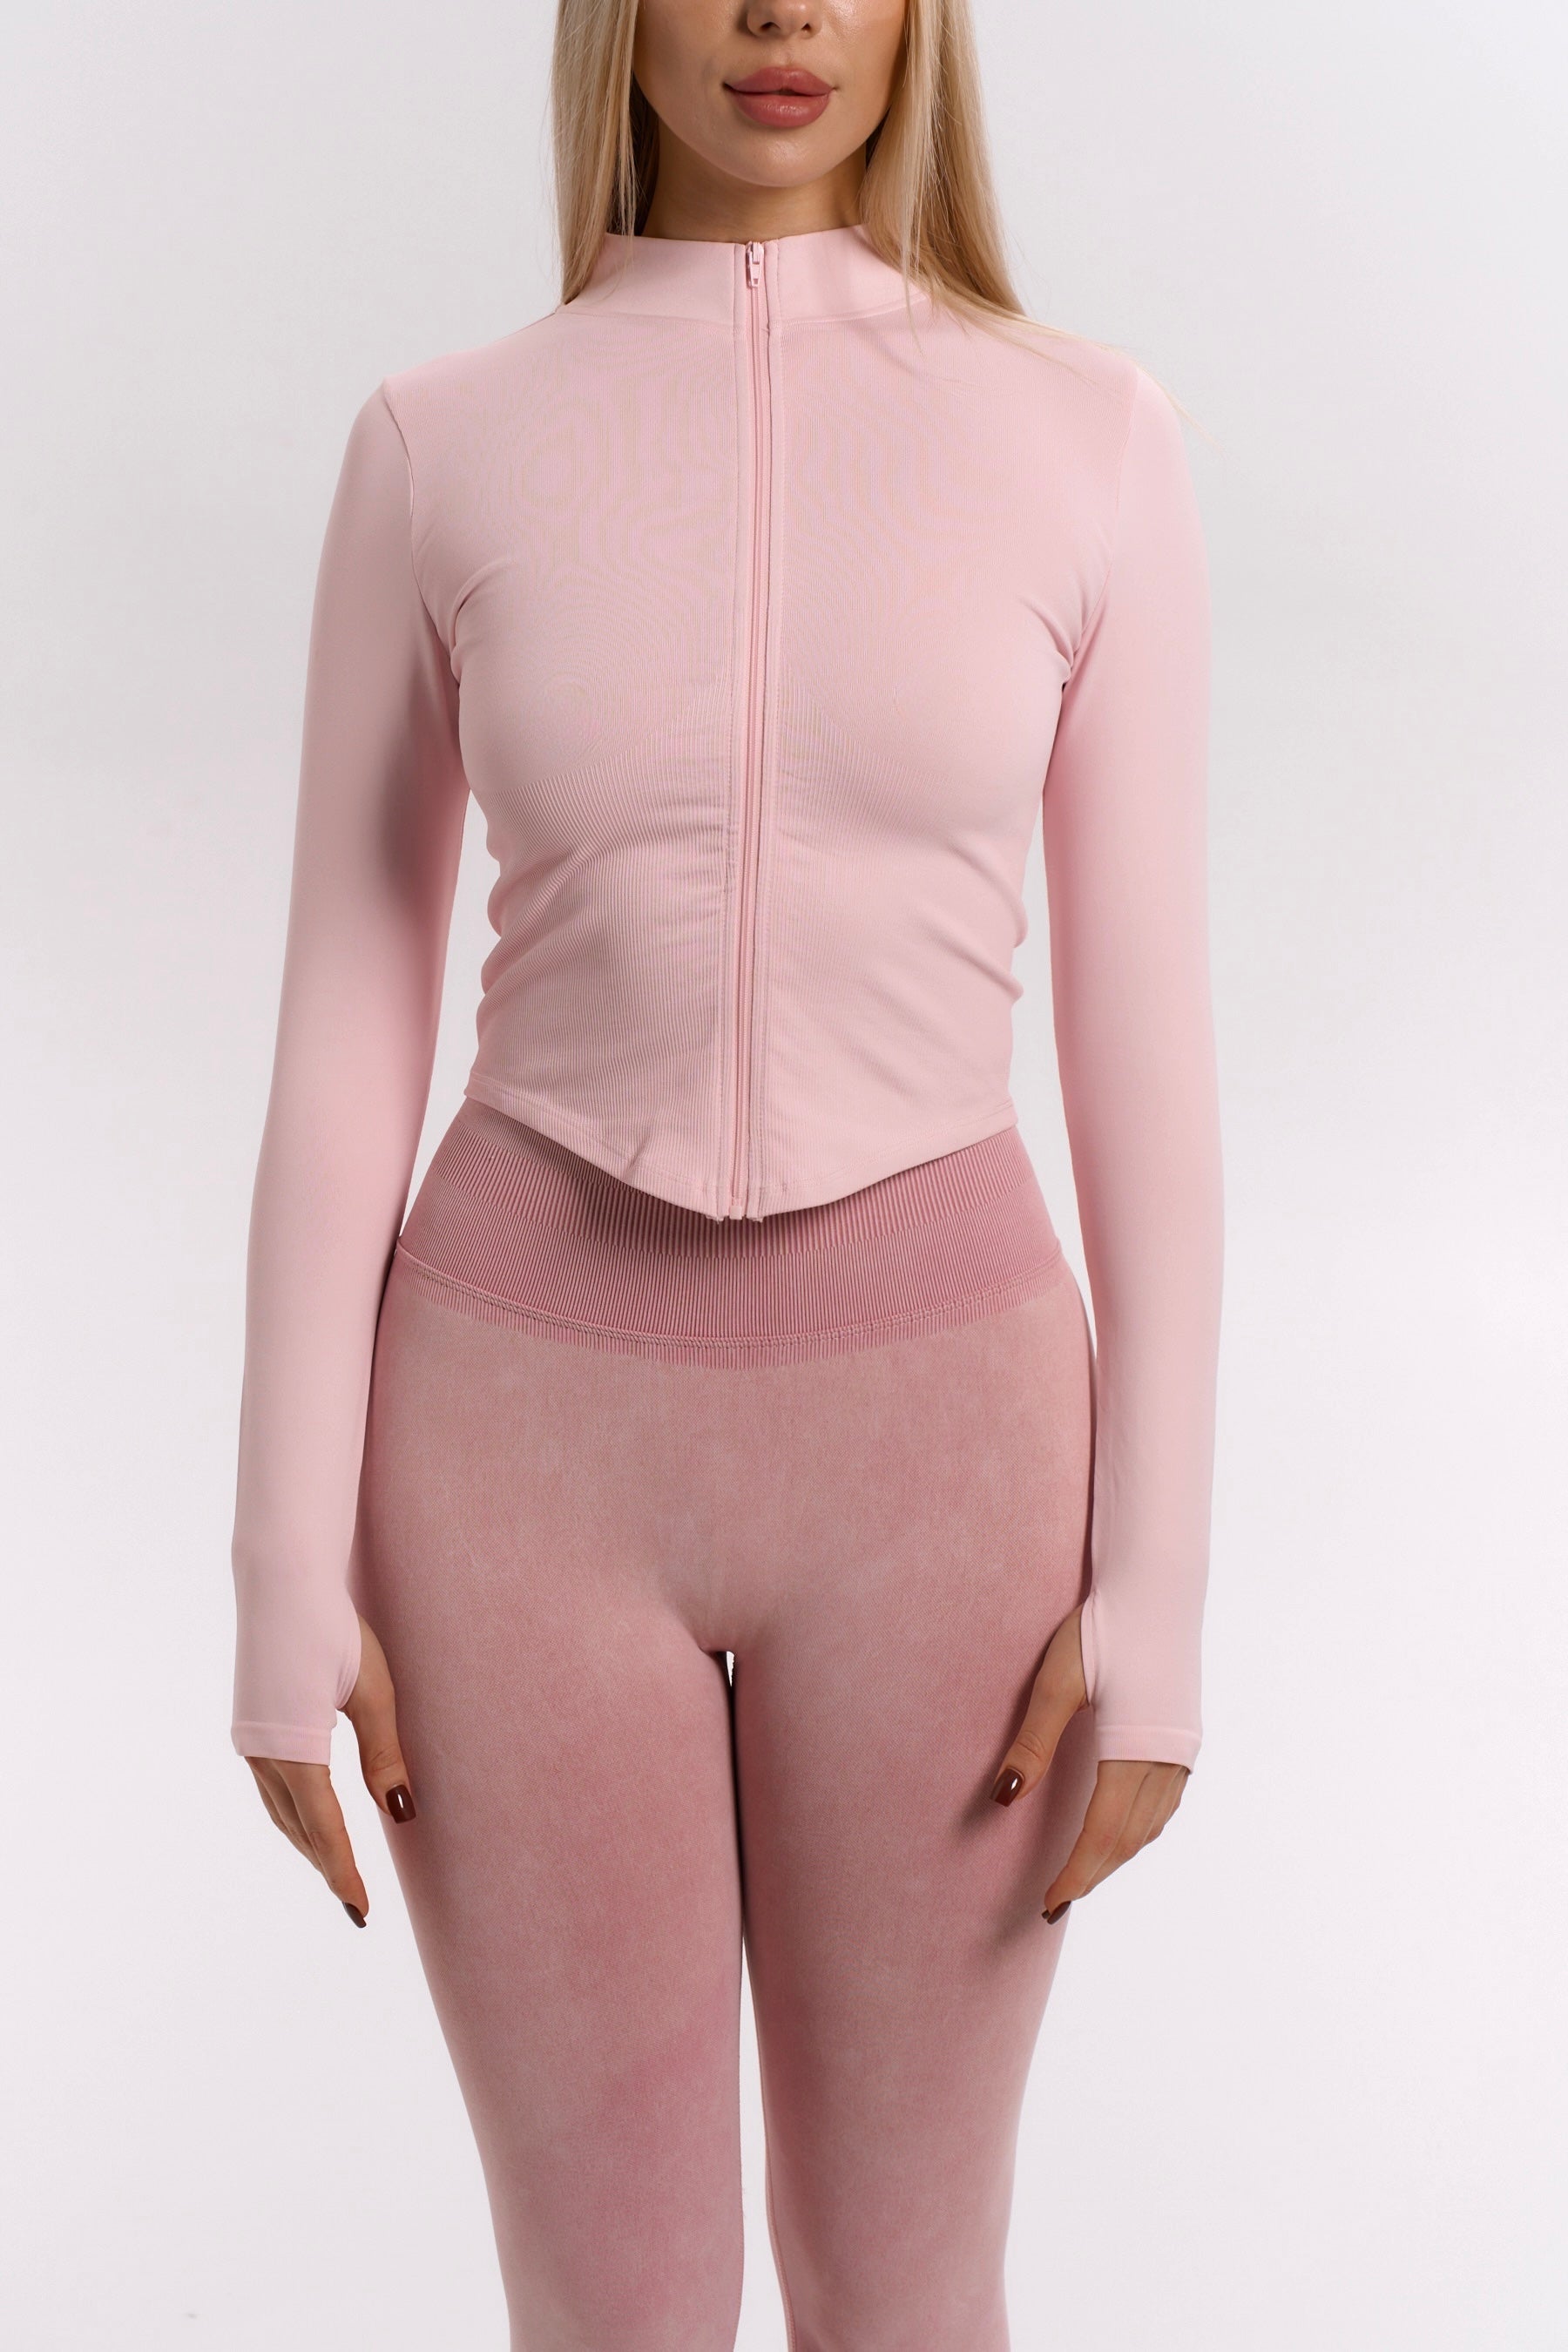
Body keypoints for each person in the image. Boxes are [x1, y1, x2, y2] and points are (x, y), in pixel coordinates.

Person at [228, 1, 1224, 2342]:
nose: (783, 13)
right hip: (517, 1462)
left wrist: (1161, 1588)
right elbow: (346, 1023)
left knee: (907, 2293)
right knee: (611, 2313)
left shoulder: (1090, 439)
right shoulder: (440, 445)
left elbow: (1147, 1051)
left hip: (949, 1465)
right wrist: (280, 1563)